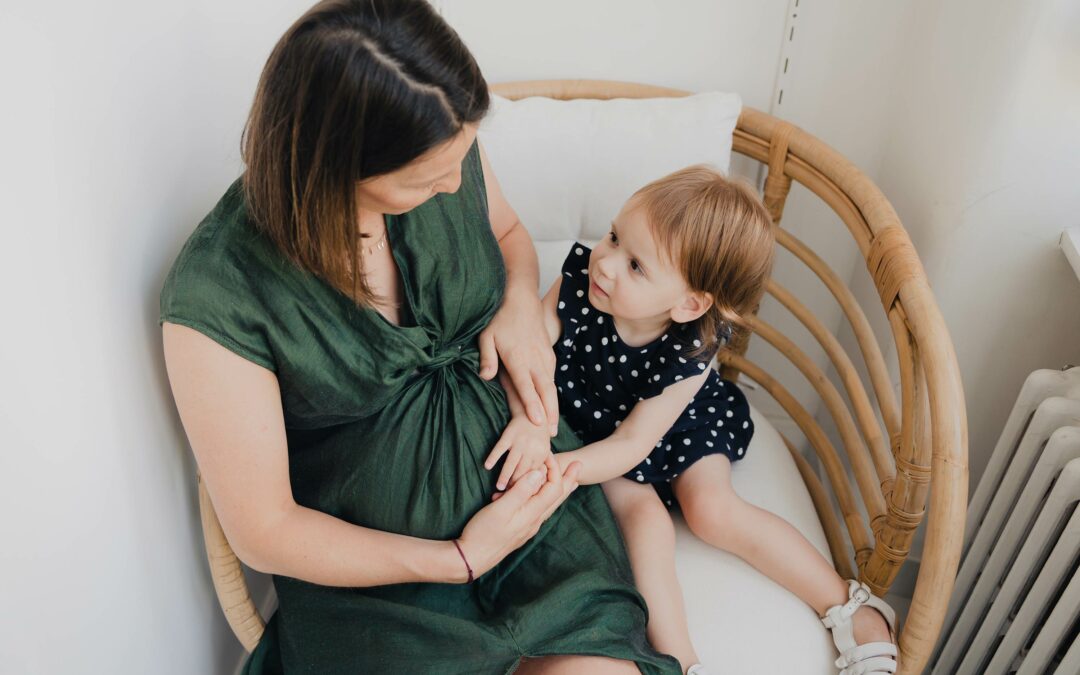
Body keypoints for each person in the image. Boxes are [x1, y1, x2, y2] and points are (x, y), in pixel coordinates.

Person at [160, 1, 682, 673]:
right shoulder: (219, 293)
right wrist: (459, 557)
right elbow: (266, 530)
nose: (451, 182)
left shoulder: (444, 141)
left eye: (459, 159)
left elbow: (508, 233)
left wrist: (521, 303)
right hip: (386, 587)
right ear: (337, 168)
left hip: (534, 521)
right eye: (426, 179)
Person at [486, 166, 900, 675]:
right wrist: (531, 420)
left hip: (673, 431)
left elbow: (637, 441)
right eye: (614, 237)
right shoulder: (577, 285)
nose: (607, 264)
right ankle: (682, 659)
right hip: (594, 427)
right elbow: (528, 352)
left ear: (687, 304)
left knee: (711, 510)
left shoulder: (690, 349)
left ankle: (850, 607)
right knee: (645, 519)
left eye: (636, 266)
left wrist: (562, 468)